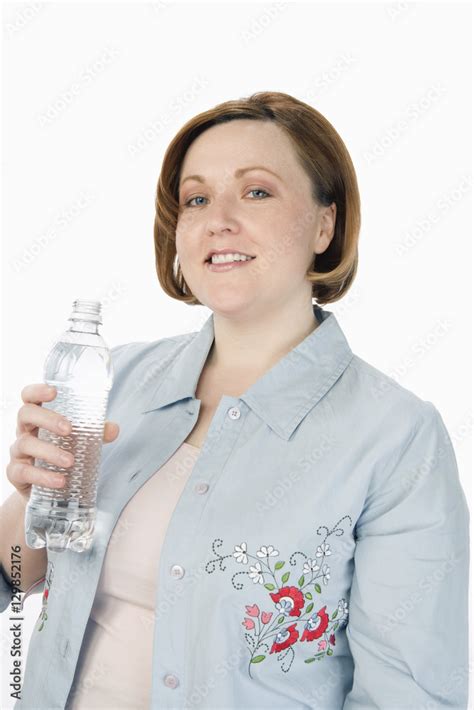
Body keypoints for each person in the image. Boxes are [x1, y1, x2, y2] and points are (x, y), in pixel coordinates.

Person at [0, 91, 469, 709]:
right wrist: (34, 500)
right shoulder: (116, 379)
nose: (218, 218)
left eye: (257, 191)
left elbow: (407, 697)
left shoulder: (396, 437)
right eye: (196, 199)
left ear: (325, 224)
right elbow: (15, 574)